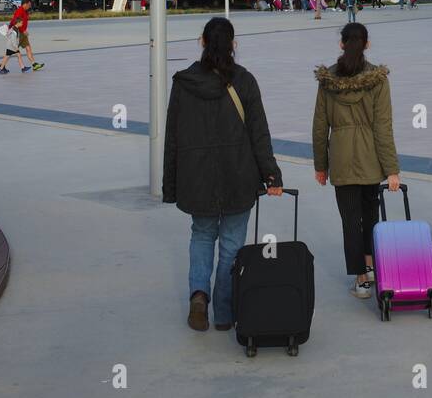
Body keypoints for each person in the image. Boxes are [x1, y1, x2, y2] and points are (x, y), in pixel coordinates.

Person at [162, 17, 283, 332]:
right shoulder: (244, 82)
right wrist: (271, 175)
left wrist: (170, 184)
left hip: (195, 178)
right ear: (233, 45)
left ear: (202, 42)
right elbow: (259, 135)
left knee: (202, 235)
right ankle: (225, 313)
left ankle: (199, 296)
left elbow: (172, 137)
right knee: (231, 243)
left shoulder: (183, 83)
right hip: (238, 176)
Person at [312, 22, 400, 300]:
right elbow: (383, 127)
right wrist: (392, 169)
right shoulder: (377, 79)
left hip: (340, 158)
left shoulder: (328, 81)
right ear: (367, 44)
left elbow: (319, 126)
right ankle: (371, 265)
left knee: (350, 220)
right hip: (371, 159)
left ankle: (361, 280)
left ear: (341, 44)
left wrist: (320, 165)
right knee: (371, 215)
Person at [4, 0, 44, 71]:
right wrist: (22, 30)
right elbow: (16, 22)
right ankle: (2, 66)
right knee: (11, 51)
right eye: (29, 5)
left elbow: (23, 22)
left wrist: (24, 30)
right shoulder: (19, 11)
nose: (30, 7)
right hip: (18, 33)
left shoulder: (25, 11)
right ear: (25, 4)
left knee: (28, 48)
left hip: (23, 33)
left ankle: (34, 64)